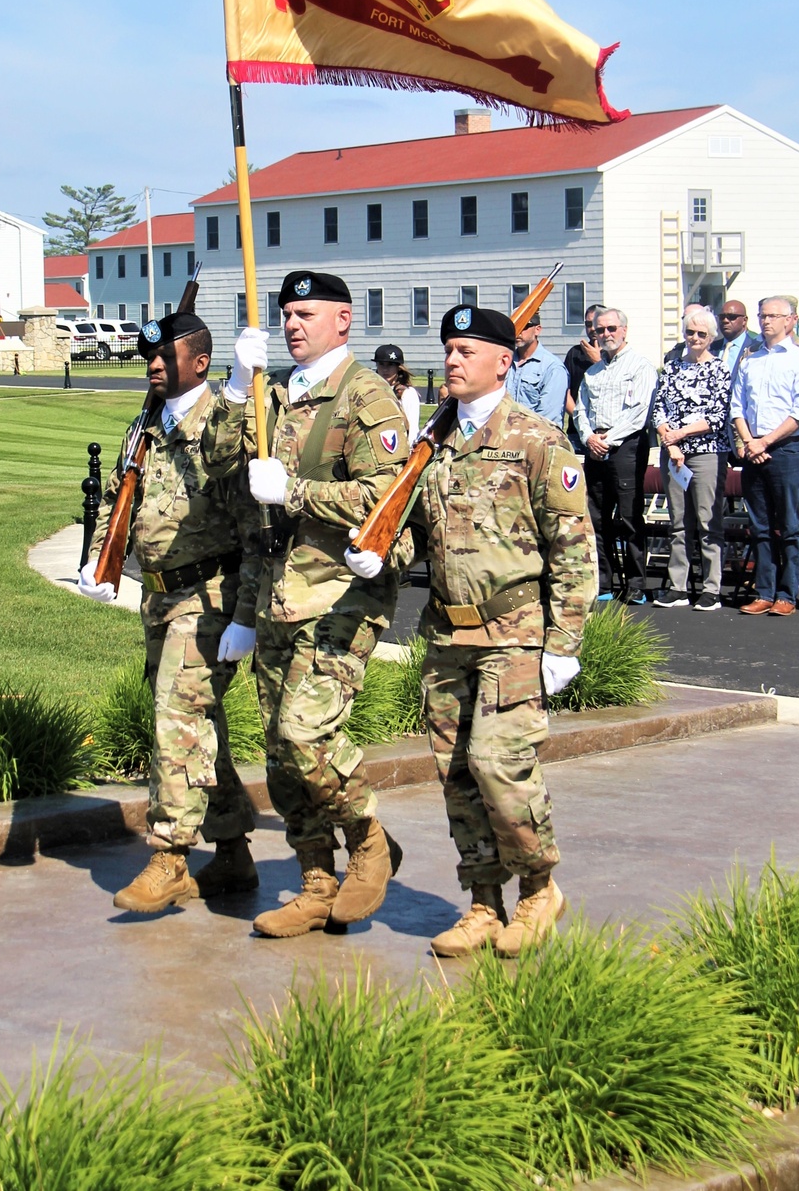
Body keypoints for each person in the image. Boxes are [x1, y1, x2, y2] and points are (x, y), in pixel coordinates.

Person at [346, 305, 597, 957]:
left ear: (503, 362)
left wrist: (563, 643)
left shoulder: (538, 439)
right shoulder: (432, 446)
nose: (452, 360)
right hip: (448, 636)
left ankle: (540, 888)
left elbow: (573, 548)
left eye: (466, 350)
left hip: (514, 631)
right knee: (456, 772)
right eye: (449, 350)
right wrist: (382, 553)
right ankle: (484, 901)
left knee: (499, 762)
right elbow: (416, 536)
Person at [201, 271, 410, 937]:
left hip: (341, 593)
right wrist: (237, 387)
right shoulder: (278, 394)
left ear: (343, 321)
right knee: (280, 754)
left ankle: (370, 838)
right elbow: (223, 467)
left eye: (307, 314)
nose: (293, 324)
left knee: (305, 734)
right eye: (287, 313)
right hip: (277, 595)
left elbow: (384, 500)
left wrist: (293, 490)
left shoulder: (366, 398)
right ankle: (317, 880)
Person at [79, 310, 261, 913]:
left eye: (166, 356)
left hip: (211, 595)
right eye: (148, 356)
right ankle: (232, 849)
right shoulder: (147, 424)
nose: (153, 364)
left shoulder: (227, 423)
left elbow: (251, 515)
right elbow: (118, 497)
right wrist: (100, 558)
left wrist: (246, 614)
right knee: (195, 724)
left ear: (202, 362)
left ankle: (170, 856)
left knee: (174, 712)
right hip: (159, 597)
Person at [730, 296, 799, 616]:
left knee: (788, 525)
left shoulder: (798, 360)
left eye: (774, 316)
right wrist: (750, 441)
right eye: (763, 315)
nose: (767, 321)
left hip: (784, 447)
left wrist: (766, 442)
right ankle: (764, 590)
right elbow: (737, 406)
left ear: (790, 320)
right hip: (753, 448)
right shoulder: (751, 359)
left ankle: (787, 594)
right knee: (759, 525)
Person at [574, 307, 657, 604]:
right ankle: (605, 581)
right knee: (596, 518)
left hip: (626, 446)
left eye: (611, 329)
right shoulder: (592, 372)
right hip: (595, 445)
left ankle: (636, 582)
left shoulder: (640, 367)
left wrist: (607, 440)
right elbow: (580, 410)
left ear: (624, 330)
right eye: (599, 330)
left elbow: (639, 414)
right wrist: (587, 437)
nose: (605, 334)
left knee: (629, 516)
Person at [651, 307, 732, 610]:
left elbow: (717, 415)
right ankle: (678, 587)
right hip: (673, 453)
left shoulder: (719, 370)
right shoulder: (672, 368)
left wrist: (680, 434)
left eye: (701, 334)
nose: (695, 338)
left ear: (711, 337)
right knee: (677, 521)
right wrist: (670, 443)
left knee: (707, 519)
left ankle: (711, 589)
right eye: (690, 332)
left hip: (707, 452)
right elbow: (658, 410)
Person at [505, 312, 569, 426]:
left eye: (524, 326)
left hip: (536, 438)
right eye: (514, 326)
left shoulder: (553, 368)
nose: (518, 331)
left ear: (537, 330)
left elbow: (548, 418)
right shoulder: (504, 362)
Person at [563, 303, 602, 450]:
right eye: (588, 324)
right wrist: (580, 419)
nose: (591, 328)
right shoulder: (575, 354)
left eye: (595, 323)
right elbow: (565, 392)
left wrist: (598, 361)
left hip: (604, 434)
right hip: (576, 434)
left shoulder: (614, 355)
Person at [373, 342, 421, 444]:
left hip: (400, 446)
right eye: (381, 364)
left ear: (398, 367)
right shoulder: (371, 390)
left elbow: (412, 427)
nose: (385, 369)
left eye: (390, 365)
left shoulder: (407, 393)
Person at [714, 300, 761, 375]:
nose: (725, 320)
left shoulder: (756, 349)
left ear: (744, 320)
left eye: (732, 317)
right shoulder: (711, 348)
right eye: (722, 317)